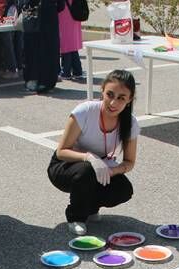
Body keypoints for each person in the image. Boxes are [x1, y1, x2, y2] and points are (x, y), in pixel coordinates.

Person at [47, 69, 138, 235]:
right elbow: (61, 152)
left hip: (100, 166)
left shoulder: (130, 123)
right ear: (102, 90)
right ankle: (76, 217)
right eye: (110, 94)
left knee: (124, 189)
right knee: (87, 171)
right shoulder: (85, 111)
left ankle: (90, 207)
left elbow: (130, 161)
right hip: (65, 166)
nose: (113, 103)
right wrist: (89, 157)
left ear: (130, 99)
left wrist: (113, 171)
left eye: (121, 98)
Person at [21, 0, 63, 93]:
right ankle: (48, 81)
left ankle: (33, 80)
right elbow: (61, 6)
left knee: (33, 52)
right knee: (49, 52)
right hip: (50, 21)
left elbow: (26, 4)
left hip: (34, 23)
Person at [58, 0, 82, 79]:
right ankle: (77, 70)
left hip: (65, 15)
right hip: (74, 14)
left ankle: (66, 71)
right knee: (72, 44)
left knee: (66, 44)